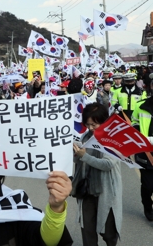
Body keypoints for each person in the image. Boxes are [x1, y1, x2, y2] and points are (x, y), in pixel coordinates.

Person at [72, 103, 122, 246]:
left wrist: (84, 156)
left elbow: (108, 164)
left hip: (106, 192)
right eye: (88, 125)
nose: (91, 128)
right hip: (86, 191)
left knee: (109, 233)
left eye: (94, 124)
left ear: (104, 121)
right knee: (87, 231)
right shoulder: (85, 137)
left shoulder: (114, 138)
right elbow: (78, 160)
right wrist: (76, 153)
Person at [131, 95, 153, 221]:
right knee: (148, 186)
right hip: (145, 153)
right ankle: (148, 207)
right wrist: (139, 135)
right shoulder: (141, 106)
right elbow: (134, 123)